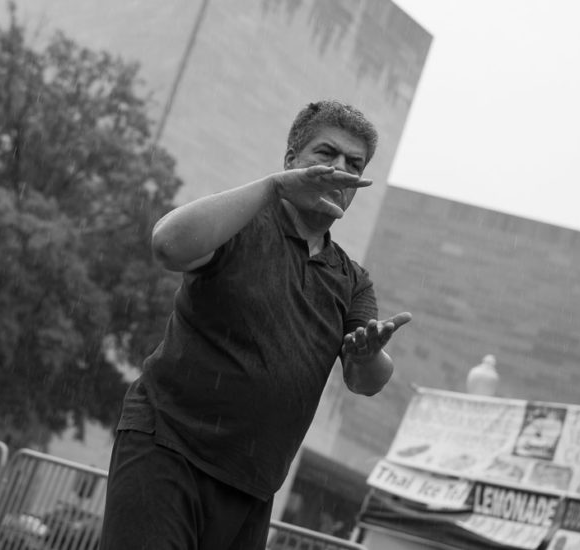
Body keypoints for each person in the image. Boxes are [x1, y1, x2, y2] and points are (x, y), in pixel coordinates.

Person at [99, 100, 412, 549]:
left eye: (354, 163)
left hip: (252, 486)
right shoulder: (240, 223)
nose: (340, 170)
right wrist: (272, 188)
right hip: (167, 448)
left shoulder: (352, 280)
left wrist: (369, 355)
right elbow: (168, 245)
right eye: (326, 154)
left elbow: (365, 381)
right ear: (291, 160)